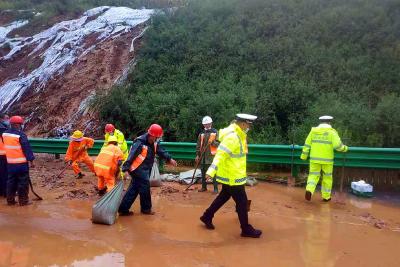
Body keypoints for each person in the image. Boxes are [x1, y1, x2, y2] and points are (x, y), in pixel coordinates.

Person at [200, 114, 262, 238]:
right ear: (243, 124)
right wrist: (210, 172)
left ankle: (207, 216)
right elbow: (220, 155)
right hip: (233, 176)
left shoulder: (239, 134)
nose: (249, 127)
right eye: (249, 124)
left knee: (223, 197)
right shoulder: (233, 137)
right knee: (242, 203)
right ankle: (245, 229)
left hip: (232, 174)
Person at [118, 124, 177, 216]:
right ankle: (146, 209)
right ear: (152, 135)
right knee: (144, 188)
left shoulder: (154, 142)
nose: (157, 139)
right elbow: (131, 155)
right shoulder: (140, 142)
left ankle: (123, 209)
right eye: (156, 137)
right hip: (137, 169)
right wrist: (125, 169)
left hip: (145, 169)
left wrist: (169, 158)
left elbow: (160, 150)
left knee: (134, 189)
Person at [300, 115, 348, 202]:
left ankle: (309, 190)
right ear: (329, 122)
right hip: (327, 161)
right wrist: (345, 148)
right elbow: (338, 146)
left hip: (314, 159)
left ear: (320, 122)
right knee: (327, 178)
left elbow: (307, 144)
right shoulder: (332, 132)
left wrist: (304, 156)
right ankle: (326, 197)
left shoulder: (313, 131)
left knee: (313, 175)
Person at [2, 116, 35, 206]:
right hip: (21, 164)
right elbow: (27, 149)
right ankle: (23, 201)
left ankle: (10, 200)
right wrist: (31, 161)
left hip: (10, 164)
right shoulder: (21, 135)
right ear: (17, 125)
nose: (21, 126)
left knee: (11, 182)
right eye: (20, 124)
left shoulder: (4, 134)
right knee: (23, 182)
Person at [196, 116, 219, 193]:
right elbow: (198, 145)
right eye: (205, 124)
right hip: (203, 156)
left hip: (212, 157)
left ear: (211, 123)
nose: (207, 125)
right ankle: (204, 187)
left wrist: (212, 142)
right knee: (203, 172)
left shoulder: (215, 132)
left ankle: (215, 189)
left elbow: (219, 143)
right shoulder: (201, 134)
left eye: (208, 123)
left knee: (213, 173)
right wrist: (197, 155)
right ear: (203, 125)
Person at [0, 113, 10, 197]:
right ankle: (5, 192)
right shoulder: (4, 129)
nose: (8, 120)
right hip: (3, 155)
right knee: (5, 174)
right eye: (7, 118)